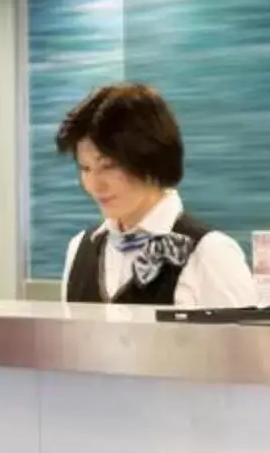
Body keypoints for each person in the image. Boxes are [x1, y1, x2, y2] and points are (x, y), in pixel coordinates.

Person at [55, 83, 255, 308]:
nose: (94, 185)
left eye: (108, 166)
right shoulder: (80, 250)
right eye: (85, 168)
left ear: (149, 157)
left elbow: (242, 344)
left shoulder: (211, 254)